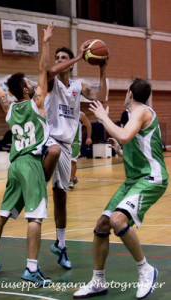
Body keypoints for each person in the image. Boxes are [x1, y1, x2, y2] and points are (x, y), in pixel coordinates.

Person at [0, 22, 55, 285]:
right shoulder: (37, 103)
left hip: (14, 165)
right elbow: (43, 70)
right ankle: (31, 268)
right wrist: (45, 41)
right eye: (30, 83)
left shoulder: (9, 109)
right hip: (30, 164)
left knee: (3, 214)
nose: (34, 83)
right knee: (36, 217)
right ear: (26, 90)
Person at [73, 78, 168, 299]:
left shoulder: (142, 112)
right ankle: (98, 280)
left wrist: (104, 118)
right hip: (134, 179)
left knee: (117, 220)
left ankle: (146, 269)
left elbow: (124, 136)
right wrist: (120, 151)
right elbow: (131, 144)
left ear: (130, 94)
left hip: (152, 178)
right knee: (103, 223)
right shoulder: (134, 117)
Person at [42, 43, 108, 269]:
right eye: (57, 57)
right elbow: (50, 71)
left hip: (67, 146)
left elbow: (101, 95)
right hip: (49, 141)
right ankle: (37, 185)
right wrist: (78, 56)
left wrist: (102, 69)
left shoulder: (78, 86)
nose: (59, 60)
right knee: (45, 187)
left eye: (63, 58)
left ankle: (60, 244)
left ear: (69, 64)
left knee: (61, 197)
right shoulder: (51, 82)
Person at [69, 111, 92, 189]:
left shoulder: (81, 114)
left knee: (73, 161)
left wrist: (88, 137)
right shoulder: (62, 112)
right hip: (65, 140)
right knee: (64, 162)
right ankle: (73, 177)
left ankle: (71, 180)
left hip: (76, 141)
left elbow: (88, 125)